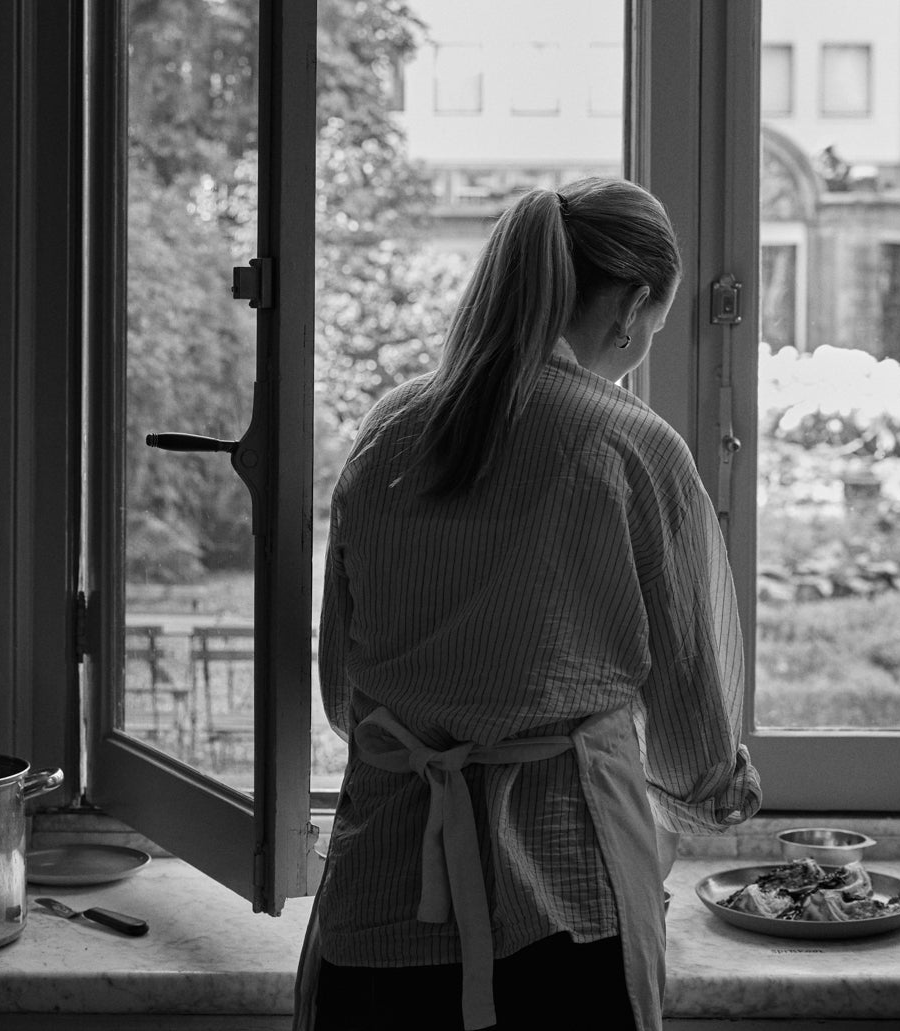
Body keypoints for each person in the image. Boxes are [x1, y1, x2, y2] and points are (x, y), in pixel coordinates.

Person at [294, 177, 761, 1031]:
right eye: (655, 325)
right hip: (565, 897)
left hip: (380, 894)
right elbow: (693, 729)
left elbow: (340, 691)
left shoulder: (388, 429)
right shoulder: (633, 446)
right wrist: (720, 789)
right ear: (631, 306)